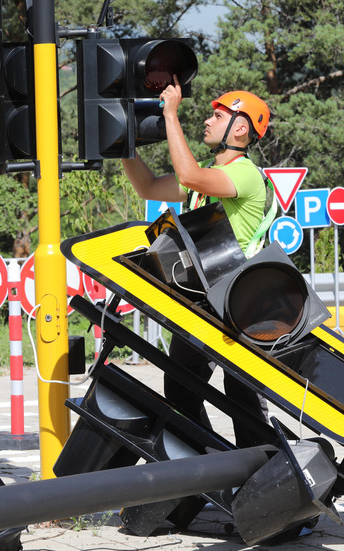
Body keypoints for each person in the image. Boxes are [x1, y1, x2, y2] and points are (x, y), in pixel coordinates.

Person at [121, 80, 275, 448]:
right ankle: (205, 466)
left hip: (239, 305)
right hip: (203, 300)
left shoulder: (245, 174)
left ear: (240, 128)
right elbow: (147, 187)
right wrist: (121, 145)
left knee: (243, 395)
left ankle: (265, 475)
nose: (207, 121)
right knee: (179, 386)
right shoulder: (209, 173)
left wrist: (170, 114)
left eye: (217, 116)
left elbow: (189, 176)